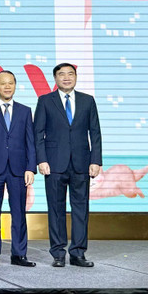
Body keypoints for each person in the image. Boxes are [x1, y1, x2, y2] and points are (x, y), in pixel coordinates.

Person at [35, 63, 102, 268]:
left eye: (70, 74)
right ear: (55, 78)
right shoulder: (45, 101)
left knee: (81, 209)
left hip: (81, 163)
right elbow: (38, 133)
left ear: (76, 77)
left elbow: (95, 132)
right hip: (54, 164)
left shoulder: (87, 100)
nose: (66, 77)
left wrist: (96, 160)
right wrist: (41, 160)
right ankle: (58, 253)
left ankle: (78, 253)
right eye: (62, 74)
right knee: (56, 209)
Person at [0, 70, 36, 268]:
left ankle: (19, 254)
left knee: (19, 213)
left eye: (11, 83)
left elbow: (30, 141)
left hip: (19, 169)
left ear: (15, 85)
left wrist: (31, 168)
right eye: (3, 83)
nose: (7, 86)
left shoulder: (25, 111)